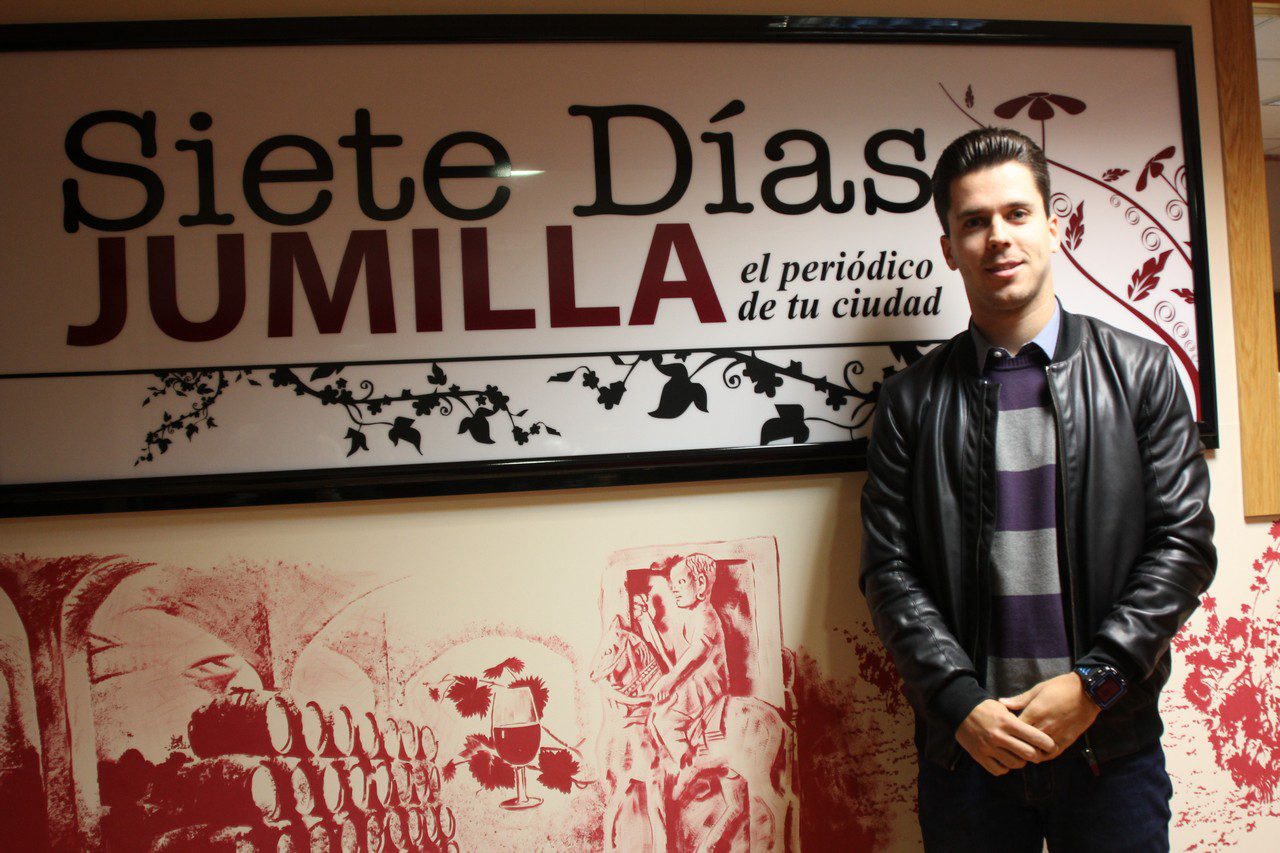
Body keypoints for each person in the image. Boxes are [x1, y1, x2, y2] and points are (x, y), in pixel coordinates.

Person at [859, 127, 1216, 852]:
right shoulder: (908, 402)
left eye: (1017, 213)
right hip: (969, 756)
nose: (998, 236)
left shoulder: (1143, 374)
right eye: (974, 222)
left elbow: (1184, 547)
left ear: (1053, 228)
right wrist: (959, 702)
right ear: (949, 247)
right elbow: (888, 571)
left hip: (1110, 749)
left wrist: (1095, 684)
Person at [644, 553, 729, 773]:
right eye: (673, 584)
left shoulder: (707, 617)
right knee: (659, 709)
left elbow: (695, 655)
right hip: (693, 681)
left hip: (707, 684)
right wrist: (647, 621)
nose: (674, 589)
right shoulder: (691, 616)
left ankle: (691, 767)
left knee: (664, 719)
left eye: (680, 582)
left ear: (701, 583)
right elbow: (674, 654)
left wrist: (670, 681)